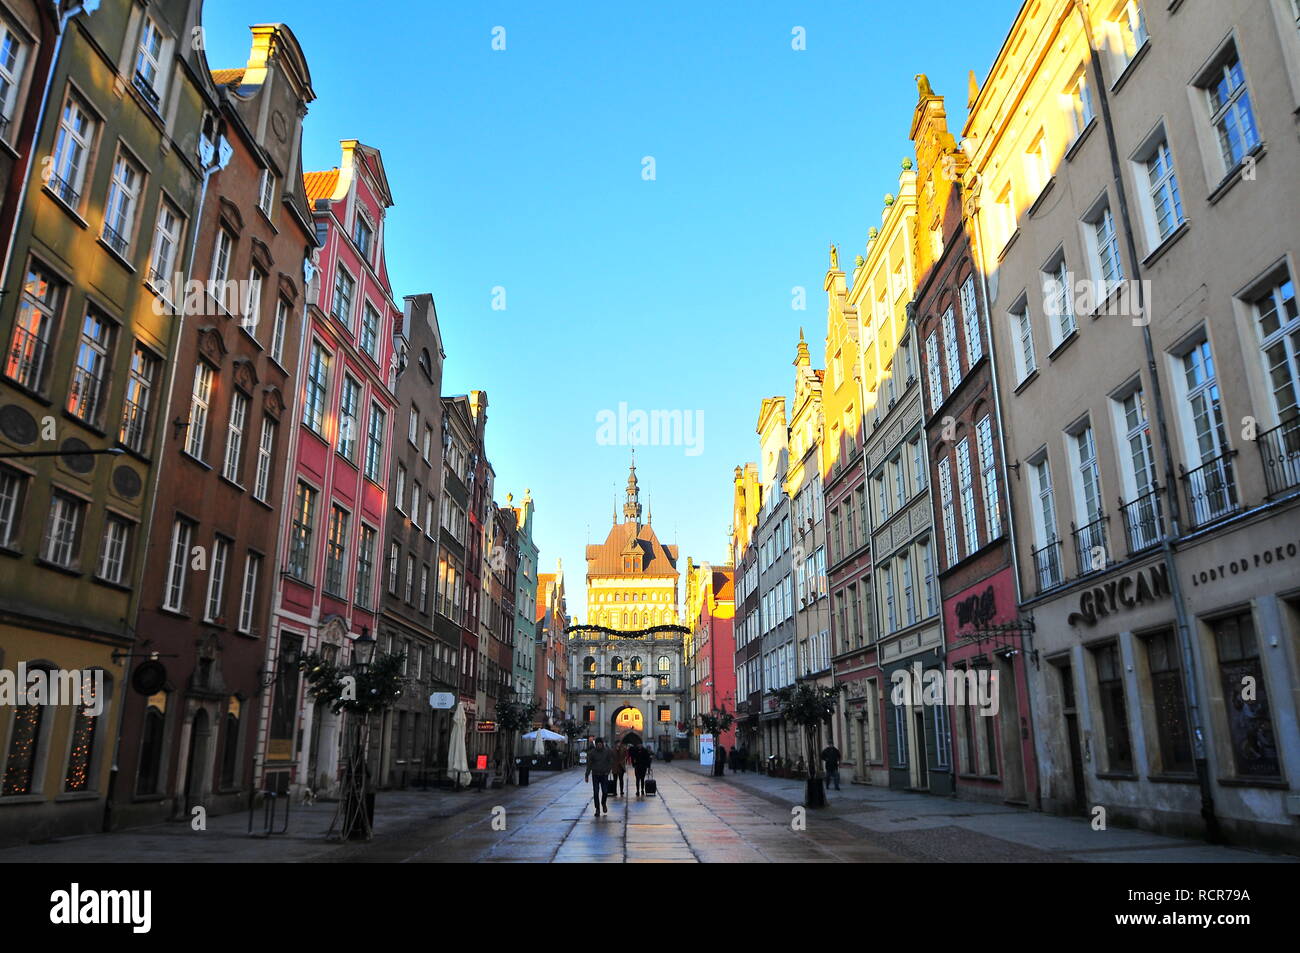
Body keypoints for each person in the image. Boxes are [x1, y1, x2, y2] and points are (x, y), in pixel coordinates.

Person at [584, 737, 614, 816]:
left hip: (604, 775)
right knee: (596, 792)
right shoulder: (592, 753)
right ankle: (597, 809)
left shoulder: (607, 751)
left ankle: (603, 803)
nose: (599, 746)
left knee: (605, 791)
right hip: (595, 775)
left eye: (600, 744)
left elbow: (611, 761)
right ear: (596, 744)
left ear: (602, 744)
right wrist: (587, 775)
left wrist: (608, 770)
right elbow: (589, 765)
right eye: (598, 744)